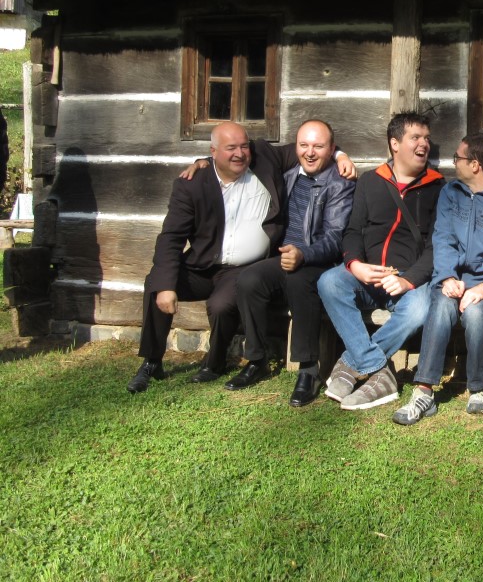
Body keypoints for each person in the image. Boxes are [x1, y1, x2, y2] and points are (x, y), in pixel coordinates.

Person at [126, 123, 293, 394]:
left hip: (243, 268)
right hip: (203, 263)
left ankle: (215, 363)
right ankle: (152, 361)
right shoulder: (191, 184)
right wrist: (166, 286)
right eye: (231, 148)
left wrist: (341, 155)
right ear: (213, 151)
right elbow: (171, 237)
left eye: (244, 146)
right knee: (157, 282)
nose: (240, 153)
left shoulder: (263, 157)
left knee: (221, 305)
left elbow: (310, 147)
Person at [318, 111, 445, 411]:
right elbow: (352, 231)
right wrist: (356, 265)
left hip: (408, 280)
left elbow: (437, 245)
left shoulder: (439, 188)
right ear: (395, 144)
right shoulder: (370, 181)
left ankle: (350, 365)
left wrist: (408, 280)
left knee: (419, 309)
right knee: (329, 282)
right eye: (415, 137)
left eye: (426, 138)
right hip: (368, 276)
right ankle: (379, 371)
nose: (424, 144)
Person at [224, 120, 355, 407]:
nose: (310, 152)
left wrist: (303, 254)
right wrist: (201, 162)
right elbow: (234, 151)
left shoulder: (341, 183)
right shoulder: (288, 175)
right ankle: (257, 360)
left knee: (299, 280)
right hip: (284, 256)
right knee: (249, 280)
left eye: (318, 146)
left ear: (331, 149)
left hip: (320, 261)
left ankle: (308, 370)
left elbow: (335, 238)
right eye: (303, 145)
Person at [392, 132, 483, 425]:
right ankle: (424, 391)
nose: (453, 162)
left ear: (475, 165)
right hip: (452, 278)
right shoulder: (451, 193)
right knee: (441, 306)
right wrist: (447, 276)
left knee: (476, 314)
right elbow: (443, 238)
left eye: (457, 158)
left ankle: (478, 388)